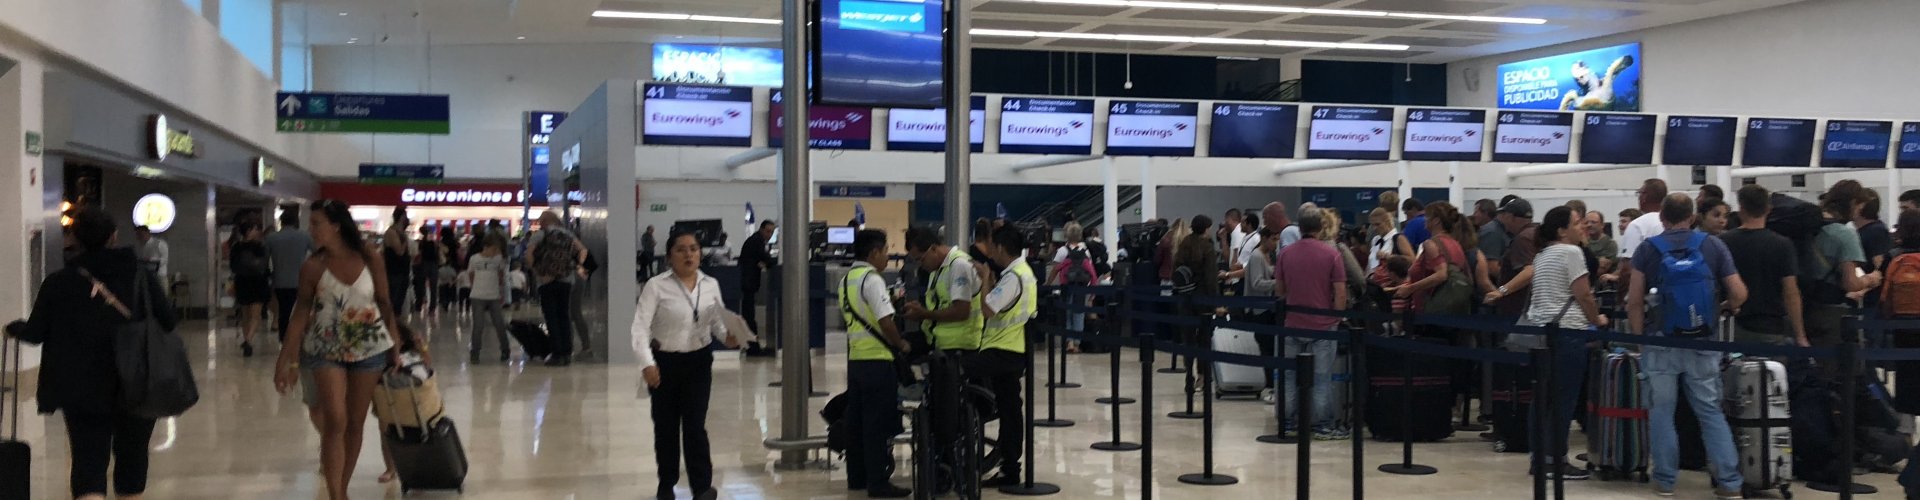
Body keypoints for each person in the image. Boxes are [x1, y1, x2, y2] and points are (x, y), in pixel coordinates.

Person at [6, 208, 176, 500]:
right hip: (135, 382)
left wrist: (15, 329)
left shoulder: (59, 282)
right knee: (132, 460)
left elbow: (35, 334)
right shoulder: (141, 277)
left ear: (75, 240)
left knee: (88, 463)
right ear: (114, 237)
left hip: (81, 387)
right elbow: (169, 322)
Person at [273, 199, 403, 500]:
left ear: (336, 225)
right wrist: (285, 359)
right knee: (335, 419)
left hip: (369, 348)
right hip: (324, 348)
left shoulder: (370, 257)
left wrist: (395, 344)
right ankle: (335, 494)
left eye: (316, 223)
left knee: (355, 423)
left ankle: (341, 487)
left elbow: (384, 303)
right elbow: (300, 314)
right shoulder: (312, 267)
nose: (312, 229)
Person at [1625, 193, 1747, 498]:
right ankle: (1729, 482)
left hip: (1660, 342)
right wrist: (1725, 306)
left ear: (1662, 218)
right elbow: (1739, 292)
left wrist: (1640, 341)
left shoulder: (1647, 249)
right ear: (1691, 217)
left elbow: (1635, 301)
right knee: (1710, 412)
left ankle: (1665, 481)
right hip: (1703, 341)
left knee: (1662, 413)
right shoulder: (1713, 245)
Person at [632, 230, 754, 500]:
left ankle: (702, 486)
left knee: (695, 425)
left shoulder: (710, 283)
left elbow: (717, 322)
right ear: (670, 255)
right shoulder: (656, 285)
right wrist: (647, 364)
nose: (688, 254)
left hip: (698, 361)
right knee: (666, 426)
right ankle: (667, 484)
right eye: (681, 249)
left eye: (694, 249)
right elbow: (639, 328)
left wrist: (729, 337)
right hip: (664, 363)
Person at [1511, 206, 1607, 480]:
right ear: (1561, 230)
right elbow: (1583, 294)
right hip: (1568, 333)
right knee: (1563, 400)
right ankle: (1556, 460)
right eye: (1577, 223)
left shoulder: (1541, 255)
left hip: (1542, 332)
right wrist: (1596, 319)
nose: (1582, 227)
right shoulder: (1572, 253)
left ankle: (1539, 458)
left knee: (1541, 399)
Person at [838, 229, 914, 498]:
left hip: (856, 360)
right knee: (876, 424)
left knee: (856, 423)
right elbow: (885, 322)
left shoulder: (847, 279)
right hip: (877, 362)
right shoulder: (872, 280)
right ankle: (878, 482)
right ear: (873, 253)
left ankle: (856, 477)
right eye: (884, 251)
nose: (886, 256)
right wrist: (901, 344)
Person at [1273, 206, 1350, 440]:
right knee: (1321, 378)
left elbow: (1280, 291)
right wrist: (1336, 318)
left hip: (1293, 322)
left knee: (1288, 377)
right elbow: (1340, 293)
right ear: (1320, 227)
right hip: (1323, 326)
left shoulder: (1285, 254)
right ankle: (1322, 425)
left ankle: (1287, 422)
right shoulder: (1331, 254)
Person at [973, 224, 1041, 487]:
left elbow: (989, 309)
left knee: (956, 368)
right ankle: (1009, 467)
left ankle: (1010, 468)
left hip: (1005, 351)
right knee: (1010, 410)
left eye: (992, 248)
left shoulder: (1014, 276)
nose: (991, 253)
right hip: (1010, 349)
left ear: (1001, 248)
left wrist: (985, 280)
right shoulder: (1022, 272)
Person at [1719, 185, 1808, 347]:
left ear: (1741, 209)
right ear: (1768, 209)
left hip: (1731, 326)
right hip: (1769, 328)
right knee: (1772, 371)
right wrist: (1800, 335)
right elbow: (1791, 292)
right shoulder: (1782, 244)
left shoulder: (1723, 242)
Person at [1802, 180, 1882, 351]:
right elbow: (1850, 283)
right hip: (1830, 309)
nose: (1860, 211)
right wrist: (1870, 280)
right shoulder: (1845, 234)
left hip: (1800, 305)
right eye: (1860, 206)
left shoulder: (1807, 225)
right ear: (1853, 203)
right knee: (1831, 367)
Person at [901, 225, 983, 355]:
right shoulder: (937, 269)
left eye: (921, 260)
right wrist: (920, 309)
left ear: (933, 249)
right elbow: (940, 303)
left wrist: (923, 314)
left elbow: (961, 312)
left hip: (960, 346)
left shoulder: (959, 266)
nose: (920, 265)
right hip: (938, 340)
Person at [526, 210, 588, 366]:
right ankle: (567, 352)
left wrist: (537, 272)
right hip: (566, 280)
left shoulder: (540, 235)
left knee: (551, 317)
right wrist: (575, 266)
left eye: (540, 220)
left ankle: (557, 353)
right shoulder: (568, 234)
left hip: (546, 280)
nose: (539, 222)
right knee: (564, 315)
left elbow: (529, 254)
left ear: (546, 221)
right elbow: (583, 250)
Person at [265, 210, 313, 343]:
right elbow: (317, 252)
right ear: (296, 222)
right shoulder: (304, 236)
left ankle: (284, 337)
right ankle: (298, 337)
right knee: (299, 310)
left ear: (281, 222)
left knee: (283, 311)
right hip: (300, 280)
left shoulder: (272, 238)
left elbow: (264, 259)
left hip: (279, 281)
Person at [469, 233, 514, 362]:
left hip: (493, 296)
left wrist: (500, 291)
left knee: (499, 324)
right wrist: (475, 287)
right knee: (478, 325)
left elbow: (501, 276)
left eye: (498, 250)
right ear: (486, 246)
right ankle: (475, 351)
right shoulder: (474, 259)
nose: (495, 253)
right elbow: (471, 274)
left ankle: (505, 349)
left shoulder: (499, 260)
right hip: (478, 296)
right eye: (494, 250)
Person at [230, 221, 272, 357]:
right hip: (258, 282)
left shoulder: (236, 247)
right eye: (255, 228)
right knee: (256, 315)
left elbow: (233, 266)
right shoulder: (260, 247)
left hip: (241, 281)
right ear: (248, 231)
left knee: (245, 314)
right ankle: (248, 340)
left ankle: (246, 339)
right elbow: (265, 266)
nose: (258, 231)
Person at [739, 221, 777, 356]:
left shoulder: (754, 240)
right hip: (748, 284)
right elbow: (765, 258)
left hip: (747, 283)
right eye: (768, 231)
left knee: (748, 315)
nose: (770, 234)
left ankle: (750, 346)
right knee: (749, 316)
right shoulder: (757, 241)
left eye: (772, 232)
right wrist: (776, 261)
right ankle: (753, 348)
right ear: (761, 229)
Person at [1856, 188, 1893, 308]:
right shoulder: (1870, 230)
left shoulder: (1875, 231)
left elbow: (1880, 266)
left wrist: (1864, 290)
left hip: (1873, 298)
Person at [1619, 179, 1669, 263]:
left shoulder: (1638, 225)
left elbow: (1628, 265)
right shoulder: (1672, 221)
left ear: (1644, 197)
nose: (1638, 197)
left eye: (1639, 193)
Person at [382, 208, 414, 312]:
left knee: (399, 301)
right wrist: (404, 240)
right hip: (394, 271)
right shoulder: (391, 232)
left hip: (402, 271)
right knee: (393, 300)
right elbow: (399, 251)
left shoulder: (400, 233)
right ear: (401, 217)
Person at [1366, 207, 1413, 275]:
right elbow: (1370, 265)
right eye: (1372, 225)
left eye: (1378, 224)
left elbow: (1412, 260)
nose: (1374, 228)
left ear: (1387, 222)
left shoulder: (1398, 238)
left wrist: (1388, 257)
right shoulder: (1375, 240)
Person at [414, 225, 444, 315]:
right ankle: (432, 308)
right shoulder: (435, 243)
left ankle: (419, 305)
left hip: (424, 264)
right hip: (433, 264)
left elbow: (418, 254)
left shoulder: (421, 243)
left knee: (421, 286)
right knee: (433, 287)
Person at [1583, 211, 1619, 277]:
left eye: (1593, 222)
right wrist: (1597, 261)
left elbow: (1600, 270)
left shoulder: (1610, 244)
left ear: (1602, 225)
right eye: (1586, 222)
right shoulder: (1582, 243)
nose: (1589, 225)